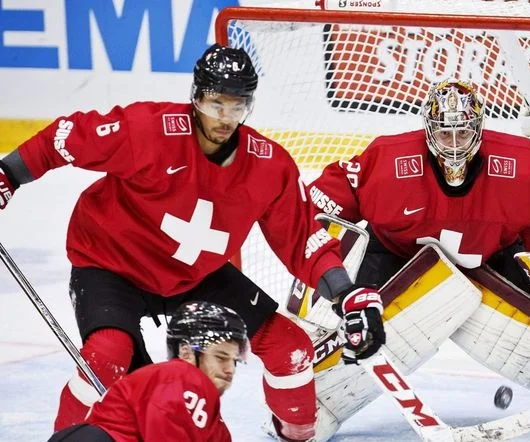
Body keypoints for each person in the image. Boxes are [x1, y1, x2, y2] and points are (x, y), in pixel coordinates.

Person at [0, 43, 383, 441]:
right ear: (196, 96)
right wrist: (7, 175)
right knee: (108, 355)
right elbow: (67, 138)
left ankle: (296, 433)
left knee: (291, 348)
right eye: (216, 103)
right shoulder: (147, 129)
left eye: (237, 106)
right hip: (111, 263)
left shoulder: (268, 166)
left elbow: (302, 237)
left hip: (193, 274)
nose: (225, 118)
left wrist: (345, 293)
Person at [286, 79, 530, 441]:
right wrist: (330, 288)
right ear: (428, 131)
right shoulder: (388, 160)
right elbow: (312, 213)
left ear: (479, 129)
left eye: (462, 132)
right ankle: (313, 397)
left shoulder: (520, 165)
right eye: (445, 133)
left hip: (491, 259)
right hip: (394, 255)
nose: (454, 143)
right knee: (364, 330)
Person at [49, 301, 247, 441]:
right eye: (221, 358)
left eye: (234, 361)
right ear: (186, 352)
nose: (230, 370)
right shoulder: (181, 377)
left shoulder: (210, 418)